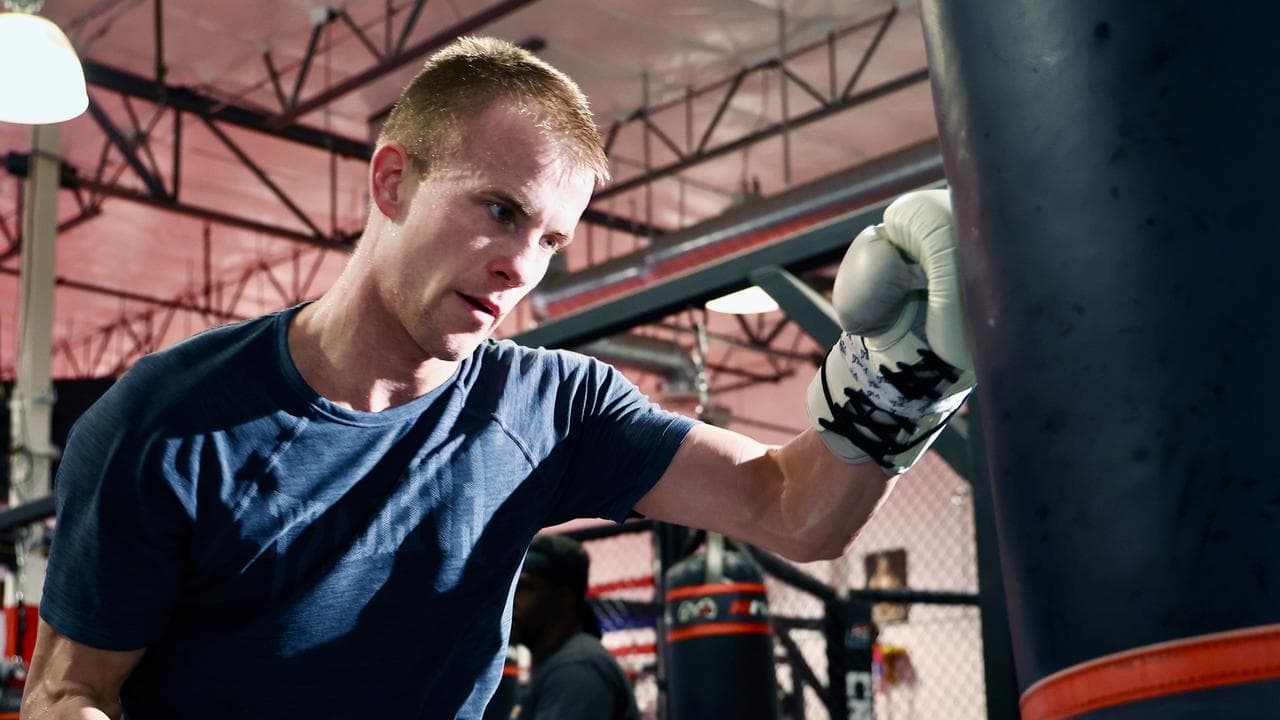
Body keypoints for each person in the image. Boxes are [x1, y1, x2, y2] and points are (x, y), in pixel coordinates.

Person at [20, 36, 973, 720]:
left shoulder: (552, 407)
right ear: (391, 182)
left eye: (552, 238)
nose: (524, 266)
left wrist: (899, 378)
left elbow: (789, 509)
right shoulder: (168, 420)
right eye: (498, 211)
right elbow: (69, 690)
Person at [509, 534, 639, 720]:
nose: (511, 602)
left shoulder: (575, 667)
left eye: (525, 588)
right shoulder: (558, 663)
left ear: (563, 598)